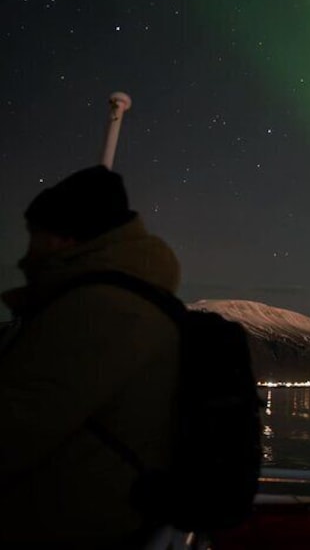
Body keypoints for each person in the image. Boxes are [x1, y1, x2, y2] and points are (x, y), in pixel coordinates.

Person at [0, 165, 181, 548]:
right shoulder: (127, 300)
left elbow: (16, 425)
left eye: (36, 236)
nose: (27, 252)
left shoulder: (97, 311)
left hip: (75, 528)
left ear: (63, 238)